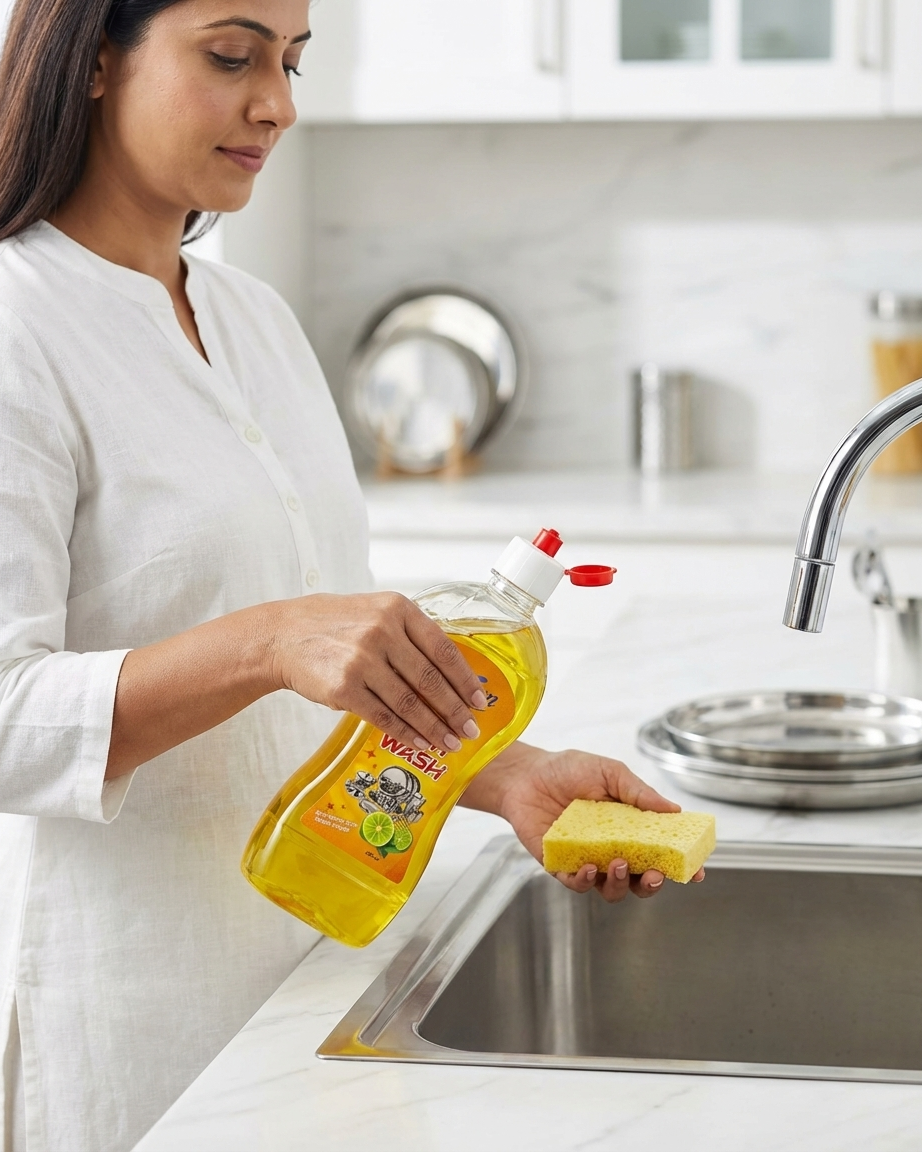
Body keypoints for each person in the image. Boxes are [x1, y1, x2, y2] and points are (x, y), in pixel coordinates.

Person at [0, 1, 704, 1149]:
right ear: (90, 60)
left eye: (290, 60)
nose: (276, 103)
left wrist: (500, 770)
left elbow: (336, 677)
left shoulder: (252, 319)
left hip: (321, 980)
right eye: (231, 56)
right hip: (137, 1021)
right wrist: (267, 641)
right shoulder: (16, 326)